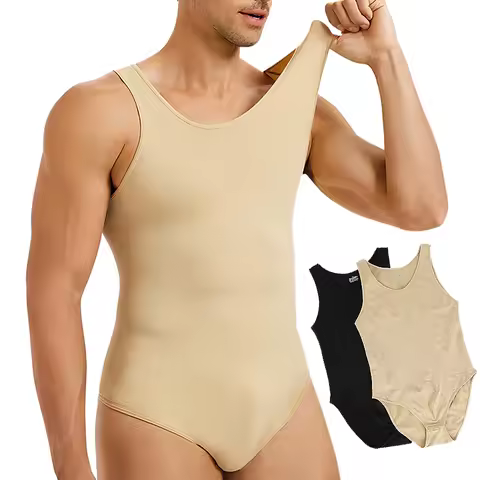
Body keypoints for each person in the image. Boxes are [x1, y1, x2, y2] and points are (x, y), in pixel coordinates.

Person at [26, 1, 447, 479]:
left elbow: (422, 207)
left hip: (283, 409)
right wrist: (70, 466)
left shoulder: (294, 108)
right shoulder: (101, 112)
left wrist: (386, 57)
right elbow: (55, 292)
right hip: (155, 415)